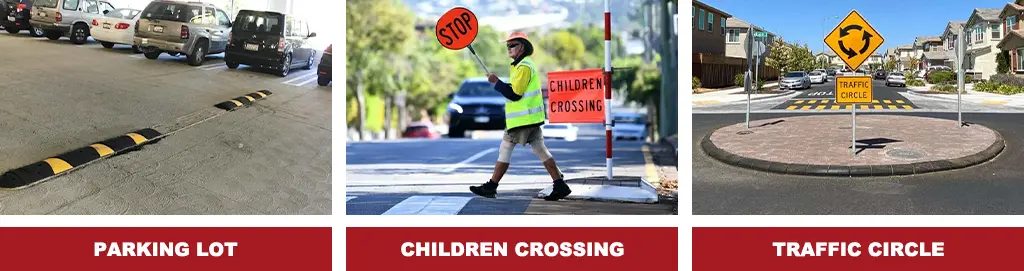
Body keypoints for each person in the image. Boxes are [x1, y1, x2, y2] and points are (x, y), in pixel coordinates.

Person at [469, 31, 571, 201]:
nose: (509, 48)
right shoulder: (520, 65)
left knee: (505, 148)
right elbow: (517, 89)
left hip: (523, 120)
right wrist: (500, 83)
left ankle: (491, 186)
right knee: (540, 150)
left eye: (513, 45)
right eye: (507, 46)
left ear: (522, 47)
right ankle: (559, 184)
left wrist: (496, 83)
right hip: (530, 119)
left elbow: (515, 94)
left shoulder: (523, 67)